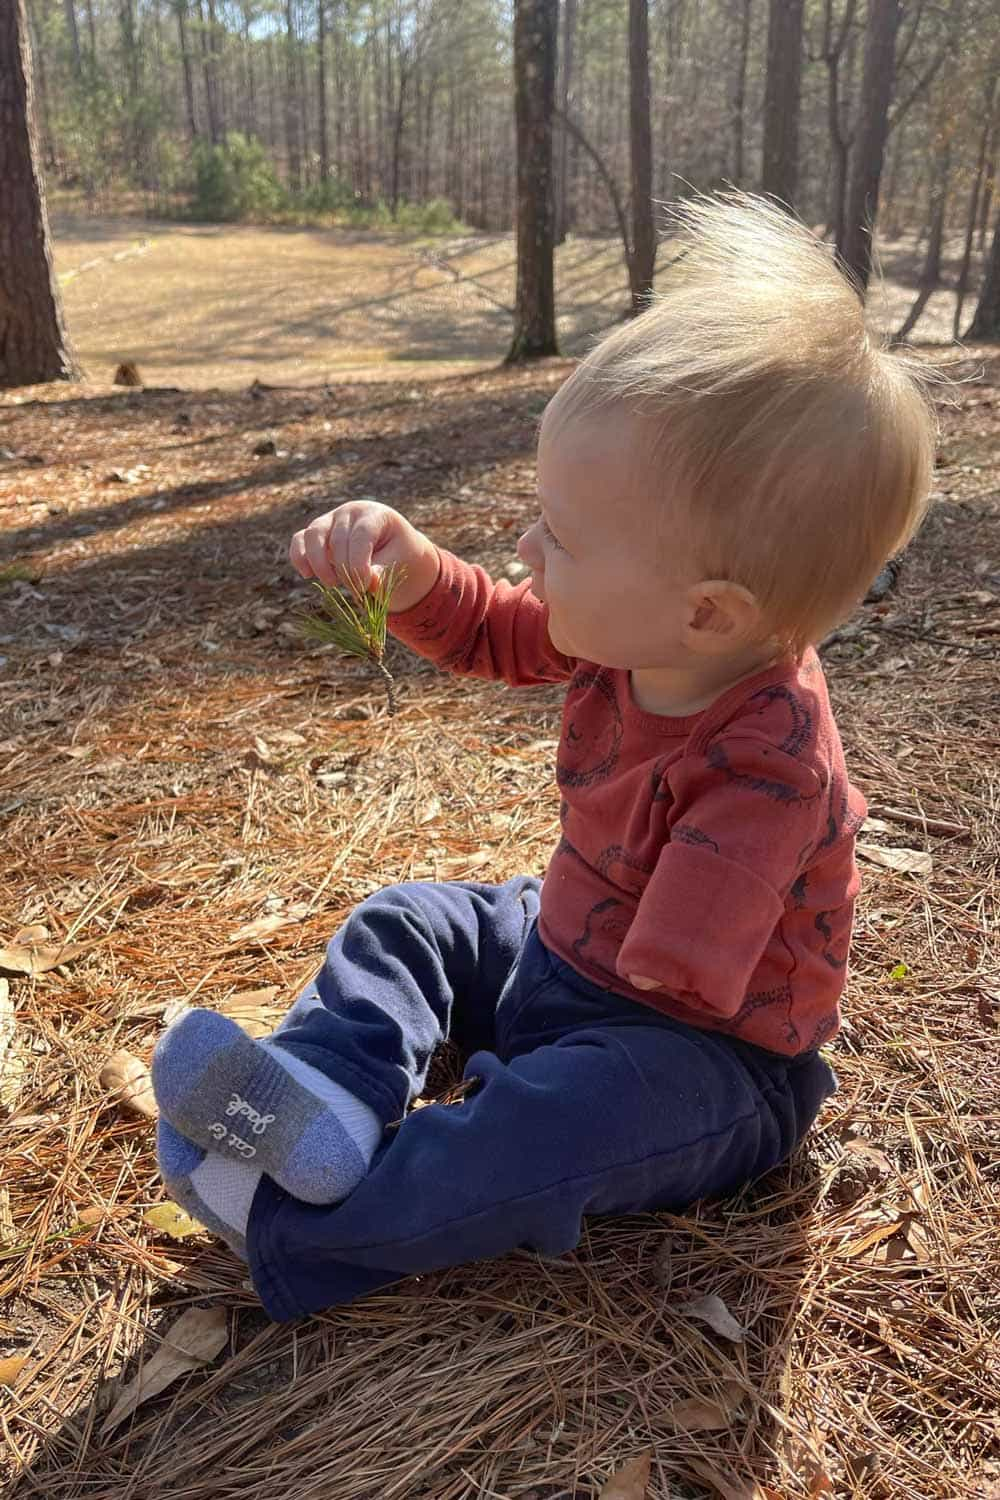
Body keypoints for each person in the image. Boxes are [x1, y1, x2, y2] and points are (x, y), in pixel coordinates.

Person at [151, 194, 936, 1321]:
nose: (526, 548)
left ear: (706, 612)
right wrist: (413, 569)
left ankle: (302, 1222)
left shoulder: (775, 763)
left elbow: (690, 968)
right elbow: (496, 629)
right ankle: (330, 1098)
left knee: (552, 1130)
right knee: (411, 917)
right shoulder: (633, 634)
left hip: (699, 1054)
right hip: (564, 950)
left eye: (558, 537)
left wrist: (540, 1040)